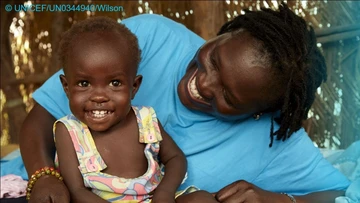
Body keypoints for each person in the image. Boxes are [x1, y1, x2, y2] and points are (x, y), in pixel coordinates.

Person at [20, 2, 350, 203]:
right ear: (224, 33)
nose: (202, 84)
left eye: (228, 97)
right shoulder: (151, 38)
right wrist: (43, 175)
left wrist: (281, 200)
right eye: (215, 59)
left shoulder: (276, 142)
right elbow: (41, 117)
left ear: (260, 112)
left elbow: (339, 193)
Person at [28, 16, 217, 203]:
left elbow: (176, 158)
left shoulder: (145, 120)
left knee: (202, 199)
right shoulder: (69, 131)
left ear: (134, 87)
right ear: (66, 87)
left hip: (155, 199)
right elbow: (77, 191)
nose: (99, 96)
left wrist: (165, 192)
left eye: (115, 83)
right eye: (84, 83)